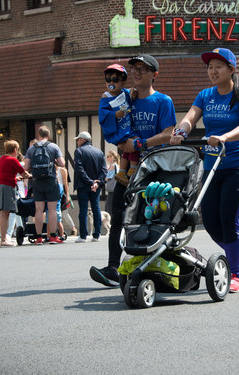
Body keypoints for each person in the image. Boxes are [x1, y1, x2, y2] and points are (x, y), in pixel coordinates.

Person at [170, 48, 239, 293]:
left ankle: (235, 272)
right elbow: (190, 117)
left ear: (231, 69)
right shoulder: (205, 95)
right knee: (209, 220)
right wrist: (181, 132)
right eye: (209, 67)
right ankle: (238, 252)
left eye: (218, 66)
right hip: (211, 167)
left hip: (238, 166)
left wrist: (223, 137)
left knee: (230, 221)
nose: (212, 71)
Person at [89, 54, 176, 287]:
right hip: (126, 172)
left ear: (154, 75)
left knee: (151, 217)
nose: (137, 73)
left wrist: (140, 143)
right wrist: (120, 141)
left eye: (143, 69)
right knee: (118, 216)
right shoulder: (124, 97)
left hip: (154, 168)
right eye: (134, 69)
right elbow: (111, 123)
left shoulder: (163, 101)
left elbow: (169, 134)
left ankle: (151, 267)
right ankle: (112, 268)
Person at [98, 64, 139, 186]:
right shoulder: (106, 96)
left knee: (131, 145)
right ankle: (133, 167)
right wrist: (115, 114)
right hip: (119, 130)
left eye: (115, 79)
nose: (111, 82)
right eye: (108, 79)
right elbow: (103, 114)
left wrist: (134, 91)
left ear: (123, 81)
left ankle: (122, 171)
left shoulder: (125, 93)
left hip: (127, 127)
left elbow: (132, 94)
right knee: (135, 142)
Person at [24, 125, 65, 244]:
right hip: (51, 180)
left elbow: (26, 167)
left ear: (38, 135)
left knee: (39, 210)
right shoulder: (53, 146)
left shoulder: (32, 149)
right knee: (51, 209)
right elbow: (62, 163)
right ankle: (52, 236)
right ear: (48, 135)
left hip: (37, 181)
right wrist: (54, 162)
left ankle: (38, 237)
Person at [0, 140, 31, 246]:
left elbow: (6, 174)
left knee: (3, 213)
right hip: (7, 188)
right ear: (15, 150)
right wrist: (31, 175)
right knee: (5, 214)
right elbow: (24, 173)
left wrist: (16, 178)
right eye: (17, 150)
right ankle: (4, 240)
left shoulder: (2, 159)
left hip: (0, 186)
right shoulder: (13, 160)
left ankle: (3, 239)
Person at [73, 131, 107, 243]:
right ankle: (96, 234)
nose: (77, 141)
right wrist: (97, 183)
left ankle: (83, 235)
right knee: (96, 207)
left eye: (78, 139)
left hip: (83, 184)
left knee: (83, 208)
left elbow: (79, 168)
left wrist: (89, 181)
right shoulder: (99, 152)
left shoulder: (79, 151)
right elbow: (104, 170)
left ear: (83, 139)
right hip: (96, 185)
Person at [57, 166, 78, 236]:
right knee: (55, 213)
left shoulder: (62, 170)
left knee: (64, 213)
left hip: (62, 193)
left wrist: (67, 195)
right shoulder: (50, 168)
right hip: (53, 192)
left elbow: (66, 184)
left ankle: (73, 228)